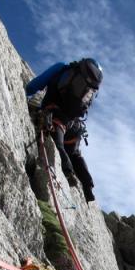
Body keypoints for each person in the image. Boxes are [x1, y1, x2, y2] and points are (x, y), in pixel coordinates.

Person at [25, 58, 103, 202]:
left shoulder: (62, 68)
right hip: (74, 128)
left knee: (59, 144)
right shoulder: (91, 87)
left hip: (55, 117)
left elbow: (32, 87)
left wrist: (24, 94)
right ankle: (88, 186)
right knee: (75, 153)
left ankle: (67, 170)